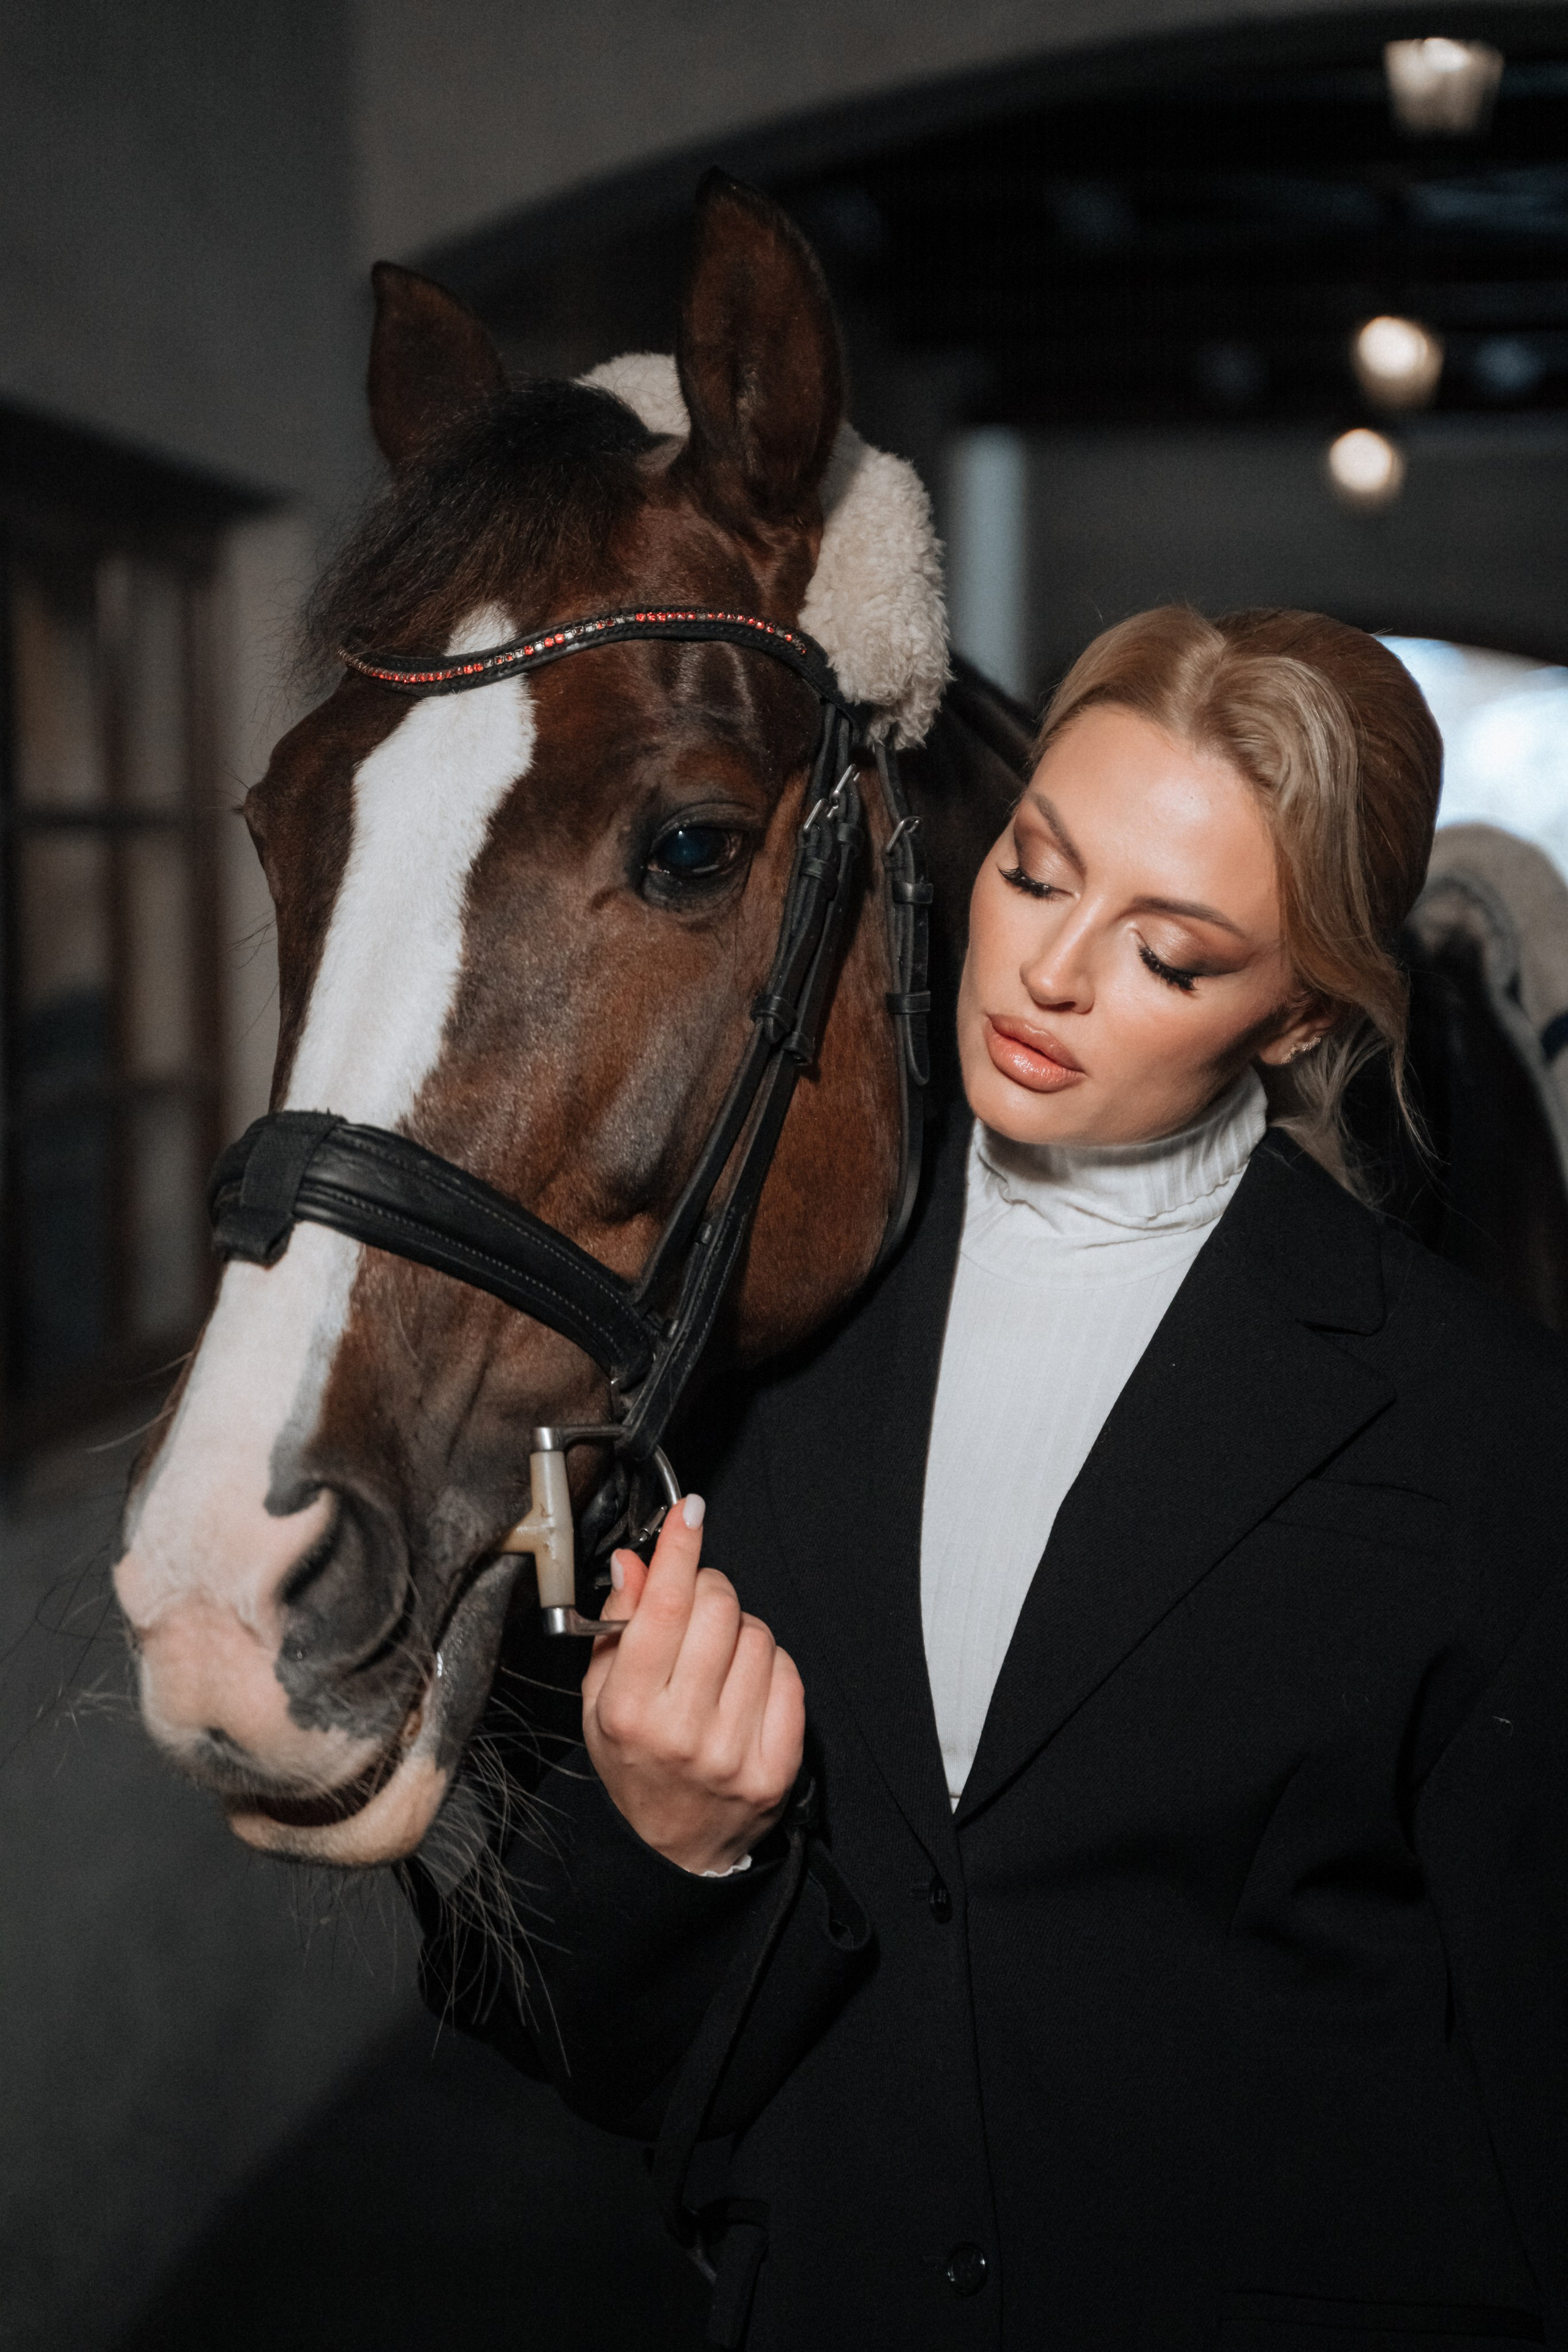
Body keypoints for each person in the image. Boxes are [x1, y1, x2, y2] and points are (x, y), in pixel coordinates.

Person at [420, 606, 1568, 2351]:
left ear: (1297, 1016)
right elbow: (560, 2035)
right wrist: (670, 1842)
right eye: (1035, 874)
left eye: (1170, 956)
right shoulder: (742, 1326)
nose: (1050, 973)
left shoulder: (1480, 1431)